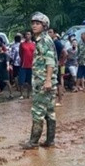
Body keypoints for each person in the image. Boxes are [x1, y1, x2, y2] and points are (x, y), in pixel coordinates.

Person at [23, 12, 57, 149]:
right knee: (49, 111)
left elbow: (50, 62)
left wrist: (47, 80)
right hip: (46, 81)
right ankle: (50, 140)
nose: (34, 26)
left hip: (43, 82)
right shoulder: (44, 40)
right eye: (33, 23)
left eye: (37, 23)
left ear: (44, 26)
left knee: (37, 111)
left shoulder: (44, 40)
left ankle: (33, 142)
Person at [18, 31, 35, 99]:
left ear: (31, 35)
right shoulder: (22, 44)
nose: (27, 35)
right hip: (23, 65)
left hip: (31, 65)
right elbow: (20, 53)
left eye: (28, 34)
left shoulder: (34, 44)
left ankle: (29, 94)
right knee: (21, 81)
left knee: (30, 81)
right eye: (26, 34)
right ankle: (21, 94)